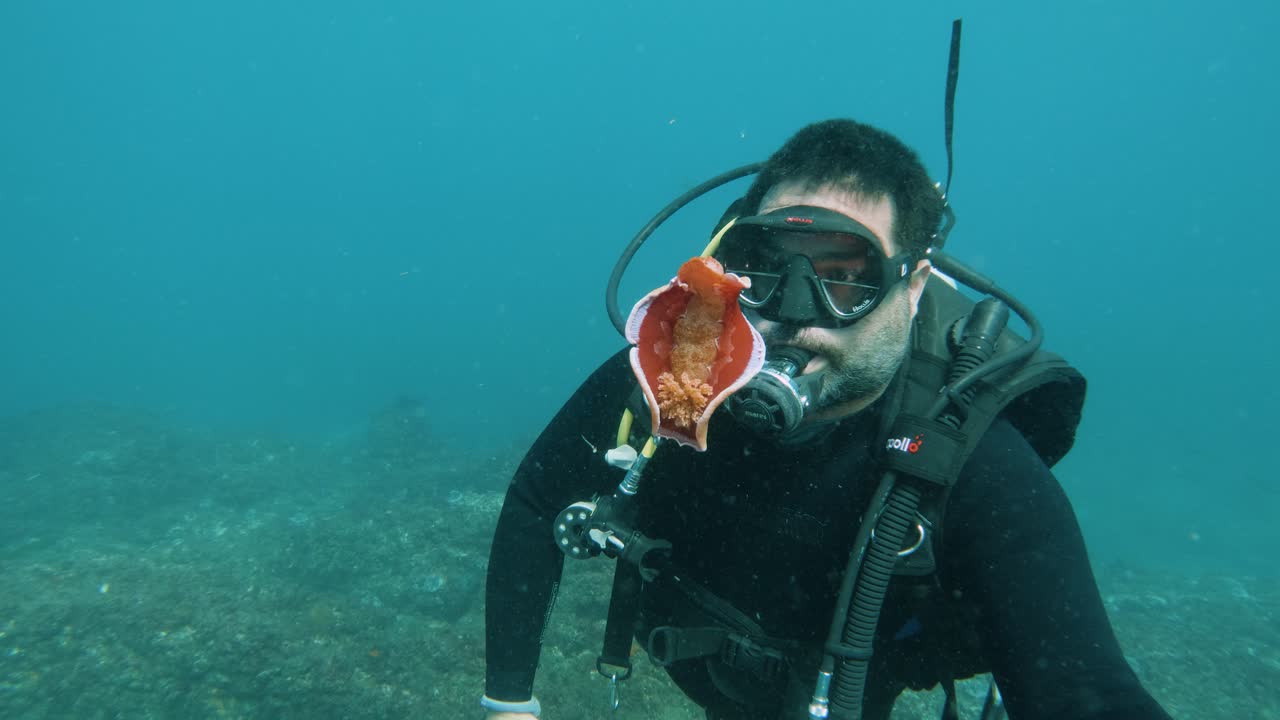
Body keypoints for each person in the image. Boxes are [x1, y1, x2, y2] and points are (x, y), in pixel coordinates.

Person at [483, 119, 1173, 720]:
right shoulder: (673, 383)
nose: (793, 313)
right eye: (768, 270)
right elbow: (535, 501)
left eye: (844, 277)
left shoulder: (973, 466)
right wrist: (509, 702)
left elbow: (1089, 695)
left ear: (913, 286)